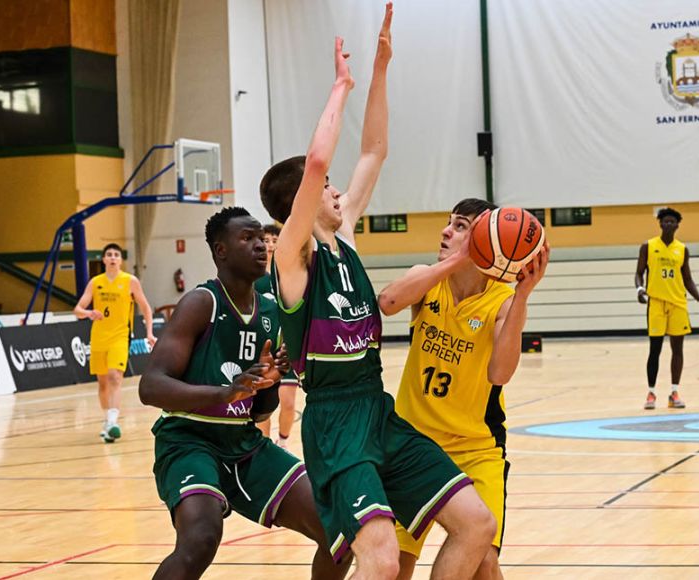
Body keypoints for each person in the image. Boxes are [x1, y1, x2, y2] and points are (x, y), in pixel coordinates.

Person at [260, 5, 496, 578]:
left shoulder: (347, 243)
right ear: (303, 200)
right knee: (382, 559)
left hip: (377, 409)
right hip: (336, 421)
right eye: (329, 188)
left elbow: (374, 149)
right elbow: (320, 159)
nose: (340, 192)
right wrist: (340, 86)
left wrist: (381, 68)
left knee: (476, 524)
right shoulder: (294, 260)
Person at [138, 206, 349, 580]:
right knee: (201, 539)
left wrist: (266, 384)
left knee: (340, 530)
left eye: (261, 239)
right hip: (189, 442)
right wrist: (226, 393)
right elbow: (150, 386)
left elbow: (259, 412)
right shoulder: (201, 303)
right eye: (247, 238)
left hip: (244, 445)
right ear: (221, 251)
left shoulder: (271, 312)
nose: (260, 246)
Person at [378, 198, 548, 579]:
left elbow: (501, 373)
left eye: (459, 226)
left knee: (483, 559)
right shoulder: (427, 277)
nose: (445, 231)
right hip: (412, 443)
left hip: (475, 447)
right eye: (449, 223)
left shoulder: (502, 300)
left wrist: (522, 294)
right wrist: (457, 259)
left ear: (487, 238)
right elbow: (387, 302)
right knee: (394, 562)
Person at [74, 242, 156, 442]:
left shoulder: (130, 281)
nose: (112, 257)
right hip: (99, 337)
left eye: (116, 255)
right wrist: (88, 312)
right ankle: (107, 420)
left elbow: (146, 308)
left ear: (120, 260)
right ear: (103, 259)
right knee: (102, 384)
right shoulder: (95, 282)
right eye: (109, 254)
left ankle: (113, 421)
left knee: (114, 377)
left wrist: (149, 333)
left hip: (120, 336)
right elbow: (77, 309)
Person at [635, 208, 699, 410]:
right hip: (657, 303)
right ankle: (651, 393)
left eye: (671, 222)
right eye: (664, 221)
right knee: (655, 349)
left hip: (678, 303)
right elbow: (639, 273)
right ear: (660, 224)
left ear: (677, 225)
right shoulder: (648, 246)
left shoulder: (682, 249)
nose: (668, 225)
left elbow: (687, 279)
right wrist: (640, 289)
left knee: (678, 349)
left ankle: (674, 392)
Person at [254, 222, 300, 448]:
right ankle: (263, 450)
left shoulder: (290, 275)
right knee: (264, 406)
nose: (270, 245)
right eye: (266, 240)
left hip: (288, 349)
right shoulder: (254, 278)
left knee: (289, 403)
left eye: (274, 240)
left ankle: (282, 443)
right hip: (264, 350)